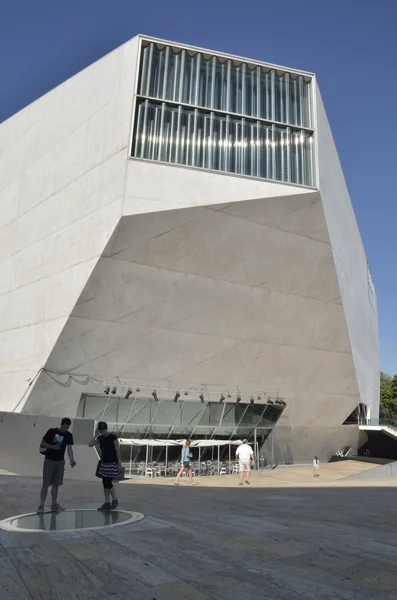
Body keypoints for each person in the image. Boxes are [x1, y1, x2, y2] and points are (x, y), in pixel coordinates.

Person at [38, 417, 76, 513]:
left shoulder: (68, 435)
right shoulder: (51, 431)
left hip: (60, 461)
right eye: (64, 427)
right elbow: (42, 443)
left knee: (56, 484)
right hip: (49, 460)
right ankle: (41, 505)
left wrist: (72, 459)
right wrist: (52, 446)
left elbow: (69, 448)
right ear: (61, 424)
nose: (65, 429)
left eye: (67, 428)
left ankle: (54, 505)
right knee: (45, 484)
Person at [89, 421, 122, 511]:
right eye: (101, 431)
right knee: (104, 483)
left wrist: (119, 463)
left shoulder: (113, 437)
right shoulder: (100, 438)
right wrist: (95, 435)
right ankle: (106, 502)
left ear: (106, 429)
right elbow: (90, 444)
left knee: (108, 482)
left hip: (112, 462)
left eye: (104, 431)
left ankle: (115, 500)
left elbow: (117, 450)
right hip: (104, 462)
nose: (103, 433)